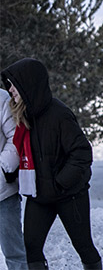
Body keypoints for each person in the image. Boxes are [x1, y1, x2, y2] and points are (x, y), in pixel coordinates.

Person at [1, 58, 101, 270]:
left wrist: (61, 182)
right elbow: (21, 151)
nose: (10, 90)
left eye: (13, 84)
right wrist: (11, 174)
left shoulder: (59, 114)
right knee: (31, 247)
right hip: (40, 195)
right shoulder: (24, 116)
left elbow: (82, 152)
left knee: (83, 246)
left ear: (27, 83)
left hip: (69, 194)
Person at [1, 85, 25, 270]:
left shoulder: (2, 99)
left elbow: (16, 138)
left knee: (15, 254)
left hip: (3, 194)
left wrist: (1, 169)